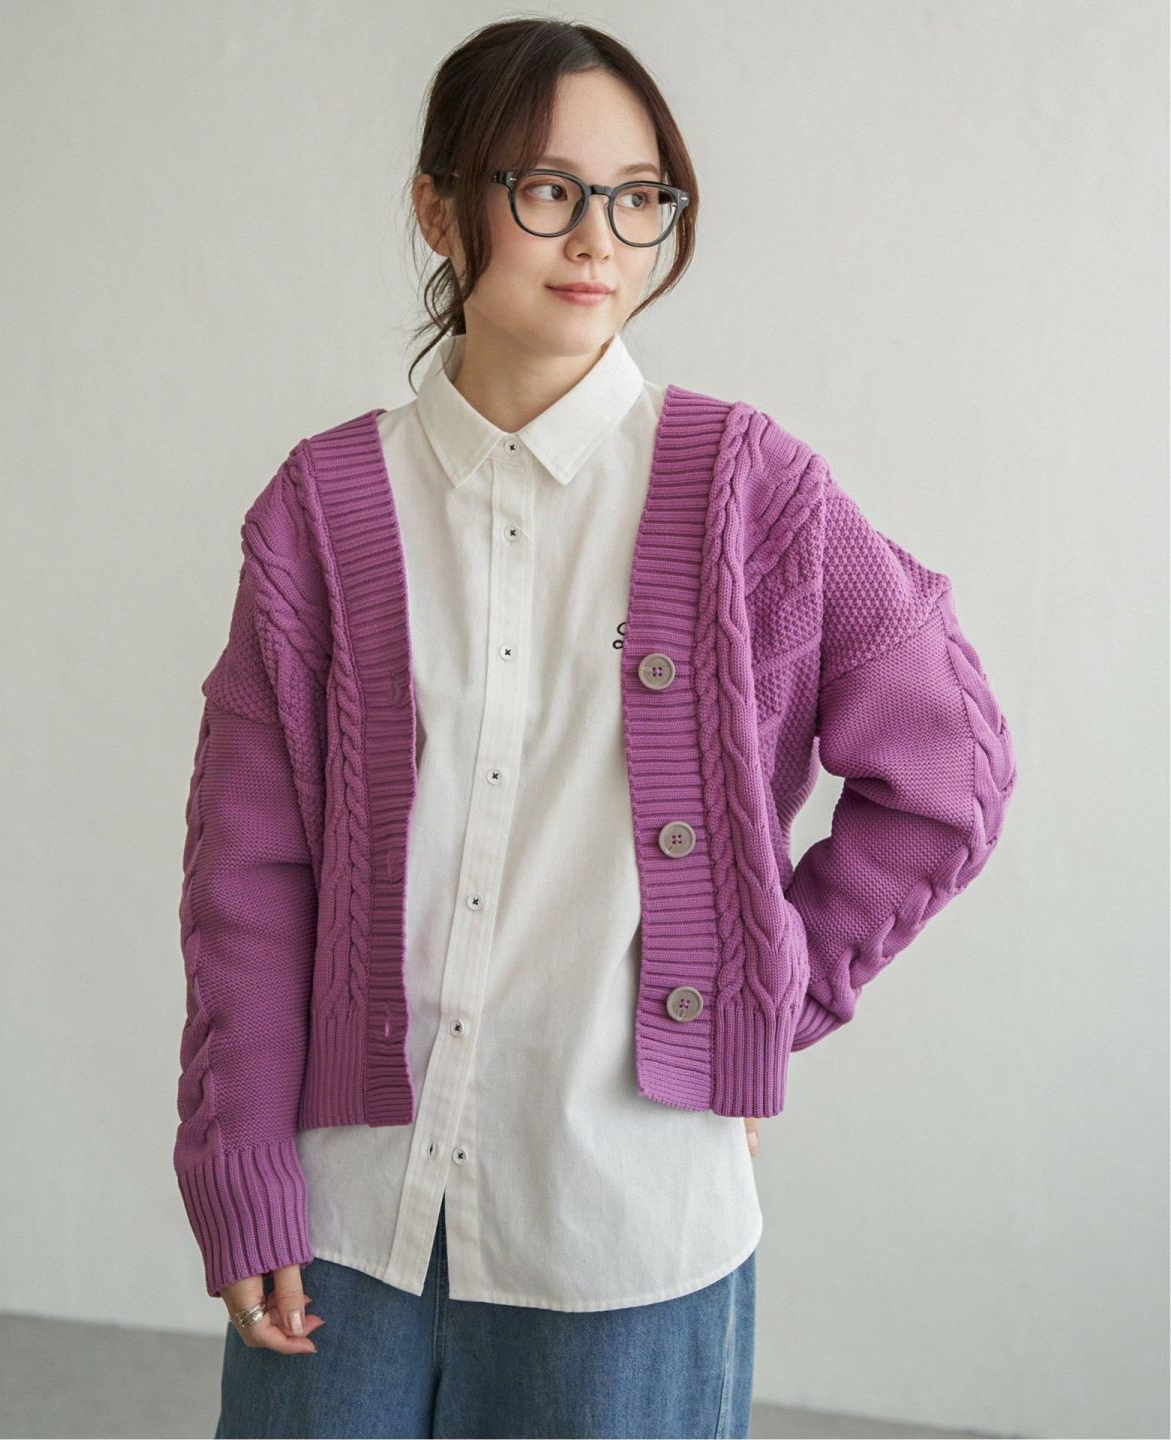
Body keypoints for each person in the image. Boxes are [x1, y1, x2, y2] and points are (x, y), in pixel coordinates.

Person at [174, 17, 1017, 1440]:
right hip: (347, 1225)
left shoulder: (754, 497)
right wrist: (240, 1159)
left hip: (626, 1225)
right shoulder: (324, 513)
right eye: (549, 188)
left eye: (639, 197)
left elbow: (950, 774)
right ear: (440, 207)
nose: (598, 239)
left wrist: (765, 997)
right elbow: (248, 877)